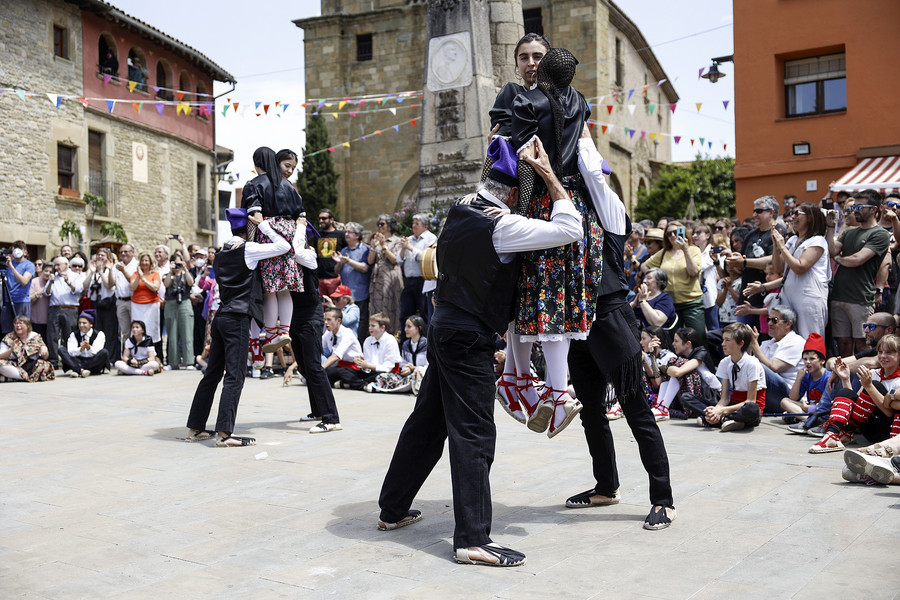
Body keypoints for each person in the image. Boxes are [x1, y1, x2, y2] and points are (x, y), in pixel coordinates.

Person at [377, 135, 582, 566]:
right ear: (512, 193)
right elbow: (570, 228)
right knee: (473, 434)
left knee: (427, 423)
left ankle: (392, 508)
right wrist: (548, 176)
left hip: (445, 328)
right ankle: (472, 538)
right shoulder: (503, 226)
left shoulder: (462, 206)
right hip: (467, 336)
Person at [562, 127, 676, 530]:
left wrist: (579, 126)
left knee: (636, 411)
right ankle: (605, 486)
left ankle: (663, 498)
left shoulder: (608, 213)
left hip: (610, 319)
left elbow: (593, 170)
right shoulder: (557, 217)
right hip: (577, 325)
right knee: (591, 412)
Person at [504, 47, 601, 436]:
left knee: (531, 298)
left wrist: (522, 211)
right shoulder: (580, 101)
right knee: (558, 302)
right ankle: (543, 389)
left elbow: (530, 162)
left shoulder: (526, 100)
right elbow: (589, 157)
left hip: (544, 203)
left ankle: (524, 384)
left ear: (541, 67)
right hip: (576, 205)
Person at [186, 209, 291, 447]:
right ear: (249, 228)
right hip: (237, 318)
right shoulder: (249, 249)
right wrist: (263, 225)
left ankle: (195, 428)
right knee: (235, 376)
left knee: (211, 375)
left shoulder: (221, 253)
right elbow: (283, 245)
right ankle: (224, 434)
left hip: (221, 317)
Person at [241, 147, 304, 358]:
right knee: (284, 288)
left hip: (269, 233)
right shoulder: (290, 187)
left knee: (269, 288)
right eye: (288, 166)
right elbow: (301, 216)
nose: (289, 171)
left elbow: (253, 216)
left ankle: (269, 335)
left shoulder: (254, 184)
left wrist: (248, 244)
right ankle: (284, 330)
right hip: (290, 233)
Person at [283, 217, 343, 434]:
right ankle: (318, 410)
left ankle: (331, 418)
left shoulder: (308, 255)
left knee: (314, 367)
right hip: (296, 317)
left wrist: (299, 225)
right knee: (306, 367)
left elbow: (298, 249)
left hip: (310, 316)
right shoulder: (288, 260)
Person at [827, 189, 891, 357]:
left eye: (860, 206)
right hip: (839, 295)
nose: (855, 209)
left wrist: (838, 257)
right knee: (843, 343)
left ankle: (866, 380)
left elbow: (857, 259)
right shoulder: (849, 232)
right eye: (854, 206)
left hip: (860, 298)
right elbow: (831, 249)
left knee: (863, 343)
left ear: (874, 209)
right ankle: (846, 379)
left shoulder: (881, 234)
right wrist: (830, 226)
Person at [810, 334, 900, 454]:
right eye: (880, 352)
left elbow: (889, 413)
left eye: (888, 352)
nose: (883, 356)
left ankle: (845, 432)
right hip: (868, 427)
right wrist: (845, 379)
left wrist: (869, 386)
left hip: (887, 432)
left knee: (875, 385)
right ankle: (833, 434)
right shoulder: (874, 373)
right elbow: (858, 404)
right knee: (846, 392)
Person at [684, 323, 765, 431]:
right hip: (731, 406)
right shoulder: (724, 363)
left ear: (740, 343)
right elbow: (724, 398)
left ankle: (720, 419)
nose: (723, 344)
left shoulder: (752, 363)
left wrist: (722, 411)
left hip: (747, 409)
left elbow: (751, 400)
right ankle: (723, 419)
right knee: (686, 397)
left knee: (751, 408)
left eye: (727, 340)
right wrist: (716, 410)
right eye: (723, 340)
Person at [770, 202, 830, 338]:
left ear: (810, 217)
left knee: (809, 338)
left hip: (808, 298)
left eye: (797, 214)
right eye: (792, 213)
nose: (792, 217)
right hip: (789, 296)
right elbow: (778, 268)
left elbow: (800, 267)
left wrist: (782, 247)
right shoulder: (792, 239)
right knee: (788, 338)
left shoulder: (818, 241)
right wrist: (775, 245)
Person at [641, 221, 705, 343]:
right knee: (674, 341)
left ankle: (702, 362)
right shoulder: (665, 252)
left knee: (698, 339)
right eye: (669, 233)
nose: (673, 236)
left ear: (684, 233)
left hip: (691, 303)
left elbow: (693, 272)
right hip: (671, 304)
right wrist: (654, 279)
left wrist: (685, 250)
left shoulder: (693, 250)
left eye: (676, 232)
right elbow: (644, 265)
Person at [726, 196, 780, 330]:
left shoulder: (779, 232)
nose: (754, 215)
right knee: (743, 342)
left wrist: (744, 262)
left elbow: (773, 261)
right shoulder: (751, 234)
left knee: (766, 342)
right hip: (746, 299)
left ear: (772, 212)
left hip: (768, 298)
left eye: (759, 211)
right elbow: (743, 260)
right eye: (754, 211)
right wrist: (734, 258)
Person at [652, 327, 721, 422]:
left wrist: (665, 368)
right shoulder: (681, 356)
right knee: (675, 365)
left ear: (688, 344)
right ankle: (660, 406)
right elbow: (664, 377)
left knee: (678, 366)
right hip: (694, 394)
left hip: (711, 396)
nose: (673, 344)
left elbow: (678, 372)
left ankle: (663, 408)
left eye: (676, 341)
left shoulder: (701, 352)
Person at [746, 305, 805, 411]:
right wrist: (748, 346)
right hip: (768, 391)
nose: (769, 323)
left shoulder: (796, 341)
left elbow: (774, 367)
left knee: (757, 367)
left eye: (774, 320)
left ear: (788, 324)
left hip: (788, 397)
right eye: (768, 319)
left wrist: (754, 344)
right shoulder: (767, 343)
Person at [332, 312, 401, 391]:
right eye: (369, 325)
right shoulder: (368, 340)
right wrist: (362, 364)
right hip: (371, 372)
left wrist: (368, 366)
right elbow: (367, 367)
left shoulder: (390, 340)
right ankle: (362, 384)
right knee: (342, 371)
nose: (370, 328)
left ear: (382, 328)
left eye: (373, 326)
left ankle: (351, 384)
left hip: (386, 373)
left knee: (380, 377)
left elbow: (387, 367)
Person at [368, 315, 428, 394]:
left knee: (414, 377)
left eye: (409, 327)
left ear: (418, 328)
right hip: (408, 375)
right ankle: (400, 387)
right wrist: (406, 369)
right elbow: (403, 362)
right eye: (405, 326)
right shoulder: (406, 344)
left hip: (421, 374)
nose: (405, 329)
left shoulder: (427, 344)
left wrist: (414, 368)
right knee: (382, 376)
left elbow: (428, 365)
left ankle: (384, 388)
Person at [781, 332, 830, 424]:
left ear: (822, 360)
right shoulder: (806, 376)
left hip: (825, 409)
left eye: (812, 359)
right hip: (810, 408)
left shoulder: (828, 377)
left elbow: (829, 403)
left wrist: (810, 407)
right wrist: (798, 379)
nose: (807, 362)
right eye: (805, 359)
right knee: (785, 401)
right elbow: (793, 398)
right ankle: (809, 420)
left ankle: (810, 420)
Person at [44, 255, 84, 369]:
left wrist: (68, 281)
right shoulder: (53, 277)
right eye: (55, 265)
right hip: (55, 308)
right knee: (52, 336)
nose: (56, 267)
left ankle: (68, 361)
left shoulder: (75, 276)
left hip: (70, 308)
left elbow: (78, 290)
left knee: (69, 336)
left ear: (66, 265)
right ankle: (53, 361)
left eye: (58, 265)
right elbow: (46, 293)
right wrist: (50, 282)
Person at [367, 215, 404, 334]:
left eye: (382, 224)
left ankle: (393, 333)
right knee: (376, 306)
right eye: (378, 224)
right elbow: (370, 261)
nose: (379, 226)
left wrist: (384, 246)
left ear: (390, 225)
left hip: (391, 277)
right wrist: (374, 246)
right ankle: (377, 332)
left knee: (391, 306)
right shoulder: (375, 241)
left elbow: (395, 260)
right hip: (377, 277)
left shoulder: (397, 241)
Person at [398, 214, 437, 327]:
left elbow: (426, 257)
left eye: (417, 224)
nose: (413, 226)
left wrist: (410, 248)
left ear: (425, 226)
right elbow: (399, 260)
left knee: (424, 313)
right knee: (405, 314)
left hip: (423, 280)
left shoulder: (431, 238)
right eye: (413, 223)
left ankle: (424, 342)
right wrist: (403, 248)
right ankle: (405, 342)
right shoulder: (409, 239)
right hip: (409, 281)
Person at [334, 221, 370, 340]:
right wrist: (339, 262)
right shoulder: (344, 250)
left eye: (350, 232)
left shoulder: (365, 249)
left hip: (361, 294)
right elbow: (337, 271)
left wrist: (348, 261)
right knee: (347, 323)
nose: (346, 234)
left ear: (358, 235)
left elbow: (365, 268)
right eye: (346, 231)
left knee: (361, 325)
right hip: (346, 296)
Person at [163, 252, 195, 370]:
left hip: (185, 303)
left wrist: (185, 268)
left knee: (187, 332)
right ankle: (173, 361)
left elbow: (191, 282)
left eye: (178, 263)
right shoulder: (168, 274)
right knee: (172, 334)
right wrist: (171, 271)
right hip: (171, 303)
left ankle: (189, 361)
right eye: (175, 263)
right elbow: (166, 285)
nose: (177, 266)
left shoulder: (186, 273)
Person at [321, 307, 364, 392]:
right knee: (310, 377)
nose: (326, 323)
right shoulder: (328, 333)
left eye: (329, 320)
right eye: (325, 319)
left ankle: (362, 384)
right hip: (340, 366)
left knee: (336, 372)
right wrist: (292, 367)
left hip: (354, 368)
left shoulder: (347, 333)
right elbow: (316, 348)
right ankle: (344, 384)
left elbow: (336, 356)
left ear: (338, 321)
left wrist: (320, 369)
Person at [0, 316, 54, 382]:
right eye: (16, 323)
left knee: (44, 365)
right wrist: (10, 350)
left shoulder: (34, 336)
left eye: (20, 323)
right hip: (15, 366)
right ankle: (27, 378)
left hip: (32, 365)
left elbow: (45, 357)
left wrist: (44, 349)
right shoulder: (9, 337)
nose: (18, 325)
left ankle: (11, 378)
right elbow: (1, 356)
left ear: (27, 325)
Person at [59, 311, 108, 378]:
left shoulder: (99, 334)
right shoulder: (74, 335)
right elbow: (71, 352)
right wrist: (80, 349)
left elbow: (97, 351)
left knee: (104, 352)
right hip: (78, 361)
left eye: (84, 323)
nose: (81, 325)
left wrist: (88, 347)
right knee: (61, 349)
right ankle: (81, 370)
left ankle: (78, 370)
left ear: (91, 325)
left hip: (93, 363)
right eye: (79, 323)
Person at [1, 240, 35, 336]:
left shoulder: (29, 265)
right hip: (7, 301)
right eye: (15, 249)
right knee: (7, 331)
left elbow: (24, 281)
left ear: (25, 252)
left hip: (21, 301)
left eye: (20, 248)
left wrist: (11, 267)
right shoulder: (7, 263)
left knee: (22, 330)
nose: (17, 251)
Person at [692, 224, 721, 331]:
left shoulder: (712, 251)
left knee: (713, 329)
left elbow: (699, 267)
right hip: (696, 297)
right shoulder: (694, 252)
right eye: (694, 233)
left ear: (708, 235)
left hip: (710, 297)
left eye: (699, 233)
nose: (695, 235)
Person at [129, 253, 161, 349]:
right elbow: (132, 287)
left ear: (150, 262)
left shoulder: (155, 274)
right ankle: (138, 351)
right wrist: (139, 276)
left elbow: (155, 288)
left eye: (146, 260)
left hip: (151, 305)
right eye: (142, 261)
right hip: (137, 305)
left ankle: (152, 352)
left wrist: (143, 277)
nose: (144, 263)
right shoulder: (135, 274)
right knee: (137, 329)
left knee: (151, 330)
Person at [315, 208, 346, 297]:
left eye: (324, 218)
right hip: (320, 278)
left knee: (335, 306)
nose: (321, 221)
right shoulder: (317, 234)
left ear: (331, 219)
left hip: (335, 277)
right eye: (320, 219)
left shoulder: (340, 234)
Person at [112, 244, 137, 353]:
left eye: (126, 251)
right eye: (121, 252)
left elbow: (133, 282)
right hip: (121, 301)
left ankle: (137, 354)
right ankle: (126, 355)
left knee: (136, 329)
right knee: (125, 331)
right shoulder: (116, 266)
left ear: (132, 252)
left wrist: (123, 271)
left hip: (133, 301)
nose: (123, 254)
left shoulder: (137, 265)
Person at [29, 263, 53, 340]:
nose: (48, 274)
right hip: (37, 320)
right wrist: (40, 292)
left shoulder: (53, 282)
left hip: (51, 321)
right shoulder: (34, 282)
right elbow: (29, 300)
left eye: (51, 272)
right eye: (46, 271)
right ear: (42, 271)